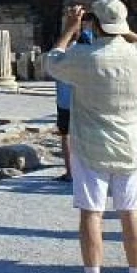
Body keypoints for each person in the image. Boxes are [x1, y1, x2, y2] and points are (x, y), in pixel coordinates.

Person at [46, 0, 137, 273]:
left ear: (94, 24)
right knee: (131, 213)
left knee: (91, 214)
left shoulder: (84, 57)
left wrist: (70, 29)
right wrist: (125, 31)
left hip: (90, 146)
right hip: (130, 146)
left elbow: (52, 60)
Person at [53, 24, 95, 183]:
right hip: (86, 100)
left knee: (67, 136)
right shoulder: (91, 55)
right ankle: (89, 171)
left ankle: (70, 172)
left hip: (65, 101)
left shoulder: (63, 54)